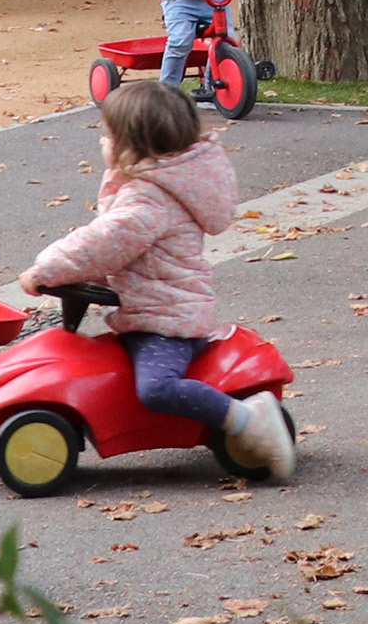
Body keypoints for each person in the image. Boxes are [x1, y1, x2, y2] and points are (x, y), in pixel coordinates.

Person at [24, 76, 296, 481]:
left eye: (107, 135)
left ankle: (247, 419)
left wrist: (45, 269)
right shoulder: (153, 187)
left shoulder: (148, 200)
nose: (101, 142)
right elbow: (116, 252)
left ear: (132, 147)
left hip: (168, 323)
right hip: (152, 309)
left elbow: (100, 244)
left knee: (156, 388)